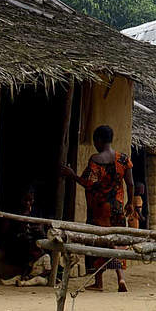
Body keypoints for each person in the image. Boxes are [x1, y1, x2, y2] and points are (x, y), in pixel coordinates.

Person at [54, 125, 137, 292]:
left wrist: (72, 175)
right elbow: (131, 183)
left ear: (98, 140)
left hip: (98, 210)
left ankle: (98, 282)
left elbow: (87, 183)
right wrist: (130, 203)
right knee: (117, 241)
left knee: (97, 242)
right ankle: (120, 278)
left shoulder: (96, 160)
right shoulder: (123, 159)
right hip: (117, 207)